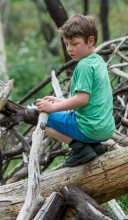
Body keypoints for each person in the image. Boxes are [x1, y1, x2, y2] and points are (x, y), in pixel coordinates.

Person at [36, 14, 115, 167]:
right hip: (105, 129)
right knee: (58, 113)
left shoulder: (84, 65)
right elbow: (88, 100)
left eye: (74, 43)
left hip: (89, 129)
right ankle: (93, 146)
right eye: (66, 44)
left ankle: (80, 148)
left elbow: (81, 100)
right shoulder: (98, 61)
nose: (69, 49)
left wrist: (52, 108)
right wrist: (59, 101)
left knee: (43, 118)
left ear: (90, 41)